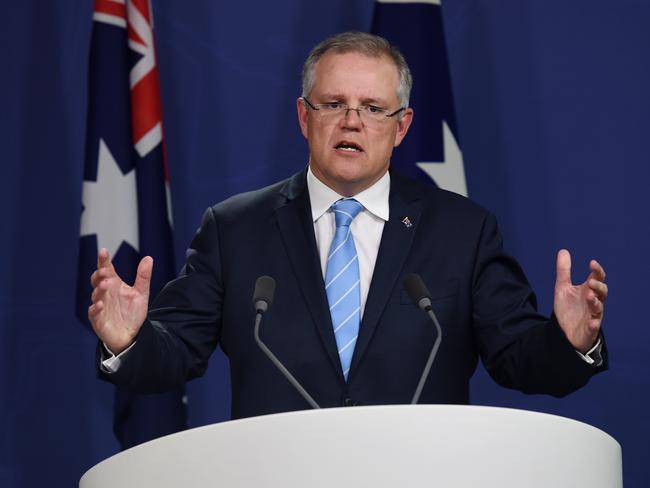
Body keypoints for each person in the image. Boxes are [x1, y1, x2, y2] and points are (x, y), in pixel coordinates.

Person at [89, 32, 607, 418]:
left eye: (373, 108)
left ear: (401, 126)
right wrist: (126, 342)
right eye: (334, 104)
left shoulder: (462, 232)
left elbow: (518, 358)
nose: (351, 121)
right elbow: (177, 350)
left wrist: (571, 341)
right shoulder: (235, 229)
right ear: (303, 117)